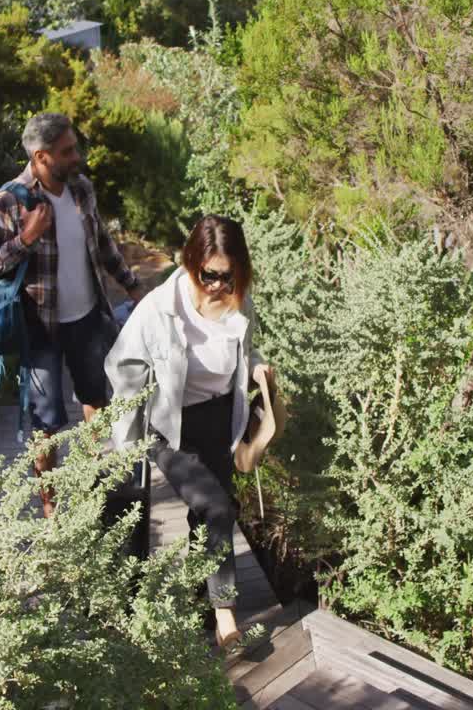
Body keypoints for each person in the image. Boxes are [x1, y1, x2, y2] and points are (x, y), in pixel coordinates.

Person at [106, 214, 275, 649]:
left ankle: (202, 601)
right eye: (209, 275)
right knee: (218, 507)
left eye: (228, 274)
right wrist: (126, 446)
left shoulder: (240, 300)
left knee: (206, 514)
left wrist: (256, 368)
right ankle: (225, 613)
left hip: (221, 420)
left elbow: (245, 348)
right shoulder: (161, 309)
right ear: (190, 262)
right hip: (171, 426)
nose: (219, 284)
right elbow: (122, 367)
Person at [0, 113, 145, 518]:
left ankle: (90, 483)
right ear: (40, 157)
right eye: (67, 151)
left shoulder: (81, 189)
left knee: (95, 400)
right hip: (40, 329)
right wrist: (25, 239)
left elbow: (102, 243)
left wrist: (133, 285)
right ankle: (51, 507)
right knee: (46, 422)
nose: (78, 157)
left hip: (87, 318)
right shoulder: (9, 202)